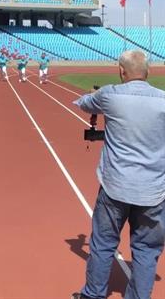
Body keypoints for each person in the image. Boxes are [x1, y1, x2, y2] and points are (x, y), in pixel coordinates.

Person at [72, 51, 165, 299]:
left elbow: (84, 103)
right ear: (148, 72)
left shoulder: (110, 95)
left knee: (103, 244)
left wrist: (91, 95)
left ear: (121, 71)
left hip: (115, 187)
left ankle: (93, 294)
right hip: (153, 191)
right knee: (146, 250)